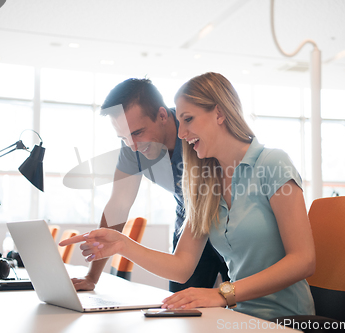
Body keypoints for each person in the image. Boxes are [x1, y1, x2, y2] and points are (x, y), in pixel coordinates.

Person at [61, 72, 316, 320]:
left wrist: (223, 293)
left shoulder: (273, 163)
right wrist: (122, 245)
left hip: (286, 319)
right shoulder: (206, 181)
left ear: (219, 113)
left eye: (188, 119)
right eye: (180, 122)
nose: (182, 133)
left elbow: (304, 260)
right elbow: (181, 267)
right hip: (238, 317)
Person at [72, 78, 228, 293]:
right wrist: (92, 277)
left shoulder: (195, 131)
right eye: (124, 137)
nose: (133, 146)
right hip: (189, 225)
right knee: (183, 306)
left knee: (241, 302)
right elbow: (118, 204)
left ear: (162, 115)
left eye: (137, 133)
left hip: (230, 223)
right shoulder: (131, 147)